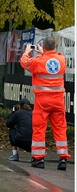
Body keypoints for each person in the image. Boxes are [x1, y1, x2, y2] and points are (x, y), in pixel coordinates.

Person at [20, 37, 71, 170]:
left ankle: (39, 159)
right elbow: (50, 60)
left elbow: (24, 62)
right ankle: (63, 158)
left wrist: (26, 52)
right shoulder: (61, 59)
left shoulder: (37, 61)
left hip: (42, 101)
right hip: (58, 101)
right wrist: (43, 52)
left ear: (43, 46)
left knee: (39, 129)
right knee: (60, 129)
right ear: (55, 47)